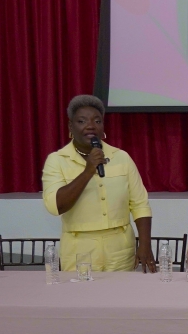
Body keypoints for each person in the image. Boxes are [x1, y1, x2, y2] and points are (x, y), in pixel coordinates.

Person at [42, 95, 156, 273]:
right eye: (82, 121)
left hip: (120, 249)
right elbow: (55, 206)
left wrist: (145, 244)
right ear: (70, 127)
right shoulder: (57, 160)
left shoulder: (121, 157)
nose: (90, 126)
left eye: (97, 121)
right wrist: (88, 171)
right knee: (81, 292)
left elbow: (140, 204)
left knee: (121, 291)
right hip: (79, 250)